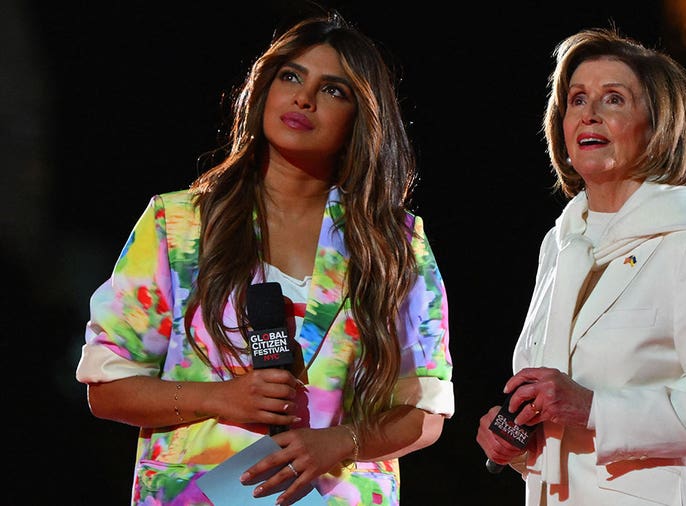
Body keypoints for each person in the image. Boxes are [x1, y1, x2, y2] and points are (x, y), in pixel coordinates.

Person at [75, 10, 453, 506]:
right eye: (291, 76)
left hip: (336, 493)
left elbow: (424, 411)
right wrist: (218, 398)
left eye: (333, 90)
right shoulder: (179, 225)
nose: (304, 98)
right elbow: (108, 386)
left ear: (360, 119)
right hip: (195, 493)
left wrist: (341, 442)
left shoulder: (394, 244)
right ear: (263, 91)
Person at [476, 26, 686, 505]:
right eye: (576, 99)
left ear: (657, 127)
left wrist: (592, 408)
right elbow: (559, 414)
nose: (589, 114)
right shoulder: (560, 244)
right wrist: (517, 444)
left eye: (613, 100)